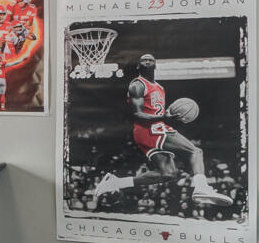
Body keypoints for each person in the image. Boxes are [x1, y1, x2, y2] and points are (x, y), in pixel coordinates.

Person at [88, 53, 230, 209]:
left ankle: (117, 182)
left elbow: (156, 112)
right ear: (138, 66)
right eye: (143, 60)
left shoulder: (160, 87)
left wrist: (165, 116)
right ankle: (201, 188)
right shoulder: (138, 85)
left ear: (155, 65)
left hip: (151, 131)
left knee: (168, 174)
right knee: (195, 151)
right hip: (150, 130)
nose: (147, 61)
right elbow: (137, 114)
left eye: (150, 60)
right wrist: (165, 117)